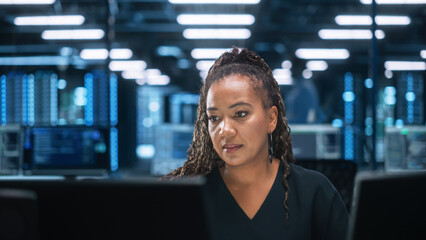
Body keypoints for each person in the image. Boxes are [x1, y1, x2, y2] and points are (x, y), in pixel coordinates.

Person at [165, 47, 349, 240]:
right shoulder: (189, 199)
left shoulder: (315, 193)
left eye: (241, 114)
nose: (225, 130)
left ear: (271, 119)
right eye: (214, 118)